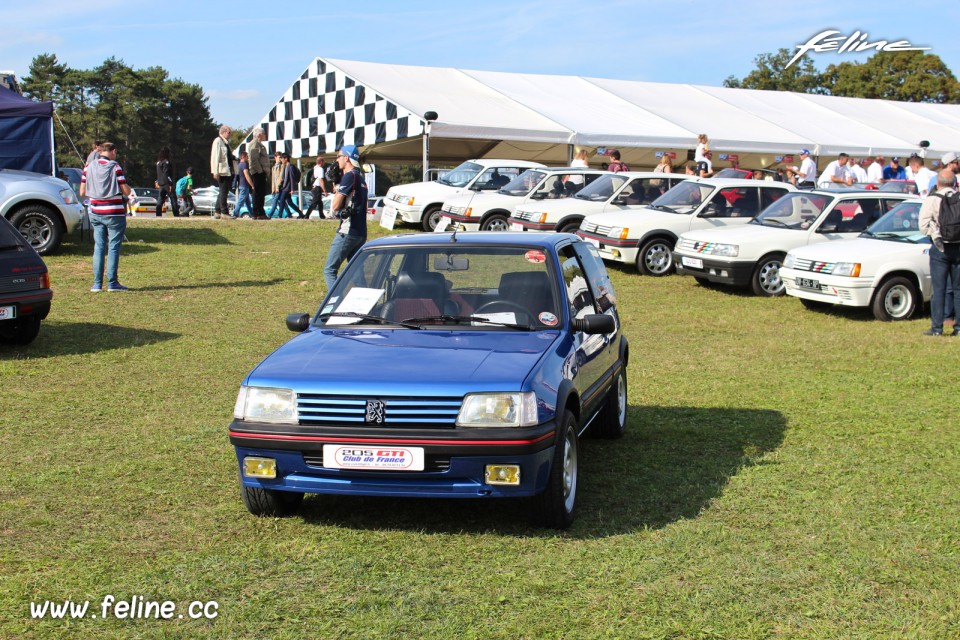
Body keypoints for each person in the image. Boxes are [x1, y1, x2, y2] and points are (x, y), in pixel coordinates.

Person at [79, 142, 133, 292]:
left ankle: (97, 284)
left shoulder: (88, 167)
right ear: (113, 152)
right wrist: (128, 189)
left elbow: (82, 192)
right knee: (114, 246)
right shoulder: (115, 167)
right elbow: (125, 191)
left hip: (95, 211)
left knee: (99, 247)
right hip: (114, 212)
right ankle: (112, 283)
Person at [919, 169, 960, 336]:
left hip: (940, 247)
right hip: (958, 247)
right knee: (958, 290)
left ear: (938, 183)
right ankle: (958, 328)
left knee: (939, 289)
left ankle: (937, 328)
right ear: (954, 183)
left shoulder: (932, 199)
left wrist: (935, 233)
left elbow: (923, 227)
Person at [324, 144, 368, 290]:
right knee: (357, 275)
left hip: (347, 231)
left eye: (339, 156)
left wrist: (337, 192)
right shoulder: (360, 178)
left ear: (346, 158)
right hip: (361, 232)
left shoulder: (349, 176)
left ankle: (335, 303)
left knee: (329, 270)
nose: (337, 160)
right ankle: (368, 305)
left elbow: (335, 207)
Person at [210, 125, 235, 219]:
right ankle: (224, 212)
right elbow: (215, 157)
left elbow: (229, 156)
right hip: (222, 171)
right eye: (229, 132)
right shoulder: (218, 141)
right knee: (224, 191)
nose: (230, 134)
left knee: (223, 191)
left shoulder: (226, 143)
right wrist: (215, 171)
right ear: (223, 132)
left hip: (227, 170)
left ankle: (217, 211)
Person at [267, 153, 303, 219]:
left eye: (282, 158)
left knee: (282, 200)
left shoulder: (290, 167)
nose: (281, 160)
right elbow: (284, 178)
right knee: (289, 202)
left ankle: (279, 215)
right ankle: (300, 213)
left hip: (287, 188)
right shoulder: (286, 166)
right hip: (285, 187)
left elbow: (291, 178)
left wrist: (292, 189)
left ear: (286, 159)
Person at [247, 127, 271, 219]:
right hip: (258, 172)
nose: (265, 135)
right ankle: (258, 212)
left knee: (260, 193)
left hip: (259, 171)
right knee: (258, 192)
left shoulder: (257, 143)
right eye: (264, 134)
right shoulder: (255, 143)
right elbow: (253, 158)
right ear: (259, 135)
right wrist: (260, 170)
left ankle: (258, 212)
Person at [155, 147, 181, 217]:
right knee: (173, 198)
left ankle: (158, 214)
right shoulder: (166, 162)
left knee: (160, 200)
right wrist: (170, 183)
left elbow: (158, 173)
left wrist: (157, 181)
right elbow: (166, 174)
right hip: (166, 183)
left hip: (160, 183)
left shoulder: (158, 163)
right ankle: (176, 214)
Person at [232, 151, 254, 218]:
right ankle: (235, 213)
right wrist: (252, 185)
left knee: (248, 202)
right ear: (243, 157)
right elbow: (246, 175)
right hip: (244, 185)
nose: (248, 158)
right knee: (241, 201)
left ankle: (252, 214)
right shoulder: (244, 164)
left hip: (241, 185)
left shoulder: (239, 165)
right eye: (247, 157)